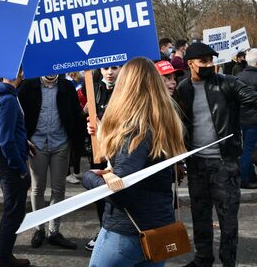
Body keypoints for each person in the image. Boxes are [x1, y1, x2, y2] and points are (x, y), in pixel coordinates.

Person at [82, 57, 186, 267]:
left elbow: (122, 193)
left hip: (128, 232)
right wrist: (106, 138)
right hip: (158, 228)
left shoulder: (135, 130)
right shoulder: (164, 123)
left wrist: (90, 177)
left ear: (125, 87)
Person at [177, 42, 257, 267]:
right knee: (200, 215)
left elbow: (251, 98)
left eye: (212, 61)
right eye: (204, 61)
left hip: (225, 164)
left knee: (228, 219)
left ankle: (228, 262)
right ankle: (203, 259)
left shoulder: (228, 83)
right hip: (196, 165)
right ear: (190, 64)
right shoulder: (183, 89)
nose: (209, 65)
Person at [18, 74, 84, 250]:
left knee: (59, 188)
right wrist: (24, 138)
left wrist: (77, 138)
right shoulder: (28, 85)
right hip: (36, 144)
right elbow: (18, 115)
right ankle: (39, 228)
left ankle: (54, 231)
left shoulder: (67, 86)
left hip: (61, 144)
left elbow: (75, 113)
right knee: (37, 188)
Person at [0, 69, 32, 267]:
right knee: (13, 213)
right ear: (19, 73)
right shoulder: (7, 99)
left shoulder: (3, 95)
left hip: (6, 162)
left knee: (13, 212)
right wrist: (21, 168)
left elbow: (12, 132)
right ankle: (2, 259)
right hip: (10, 166)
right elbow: (6, 140)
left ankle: (5, 255)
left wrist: (25, 142)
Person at [84, 65, 121, 251]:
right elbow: (88, 117)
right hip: (99, 152)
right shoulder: (94, 89)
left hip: (120, 152)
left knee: (119, 192)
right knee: (101, 194)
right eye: (105, 68)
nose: (110, 72)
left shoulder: (126, 88)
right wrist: (90, 127)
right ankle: (103, 230)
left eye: (114, 68)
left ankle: (119, 233)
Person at [236, 48, 257, 189]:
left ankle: (249, 175)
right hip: (254, 119)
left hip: (241, 118)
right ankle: (245, 178)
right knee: (249, 149)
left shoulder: (238, 77)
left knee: (245, 148)